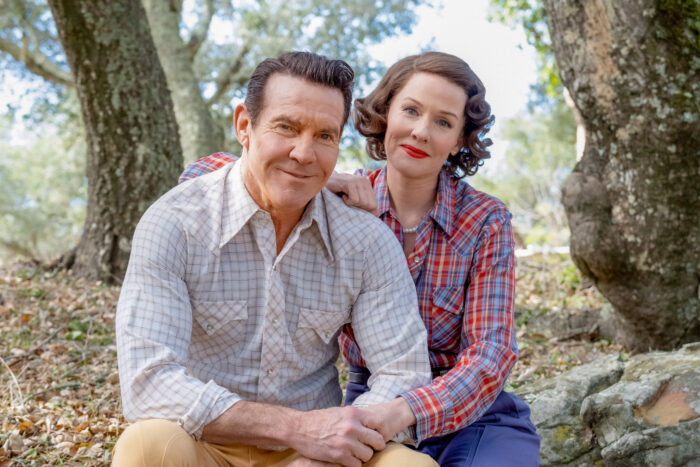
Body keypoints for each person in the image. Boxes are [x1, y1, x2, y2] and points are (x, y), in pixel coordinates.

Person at [183, 51, 540, 466]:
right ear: (386, 113)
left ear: (460, 139)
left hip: (474, 417)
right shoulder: (336, 200)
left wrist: (401, 412)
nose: (421, 132)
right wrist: (319, 176)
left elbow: (490, 353)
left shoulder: (484, 221)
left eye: (443, 122)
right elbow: (198, 175)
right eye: (411, 110)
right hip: (371, 397)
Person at [112, 51, 437, 467]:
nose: (304, 153)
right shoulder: (176, 223)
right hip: (203, 441)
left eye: (325, 136)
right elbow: (148, 383)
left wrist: (334, 444)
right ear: (244, 126)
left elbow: (403, 373)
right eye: (287, 127)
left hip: (316, 457)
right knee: (146, 446)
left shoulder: (365, 240)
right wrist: (296, 428)